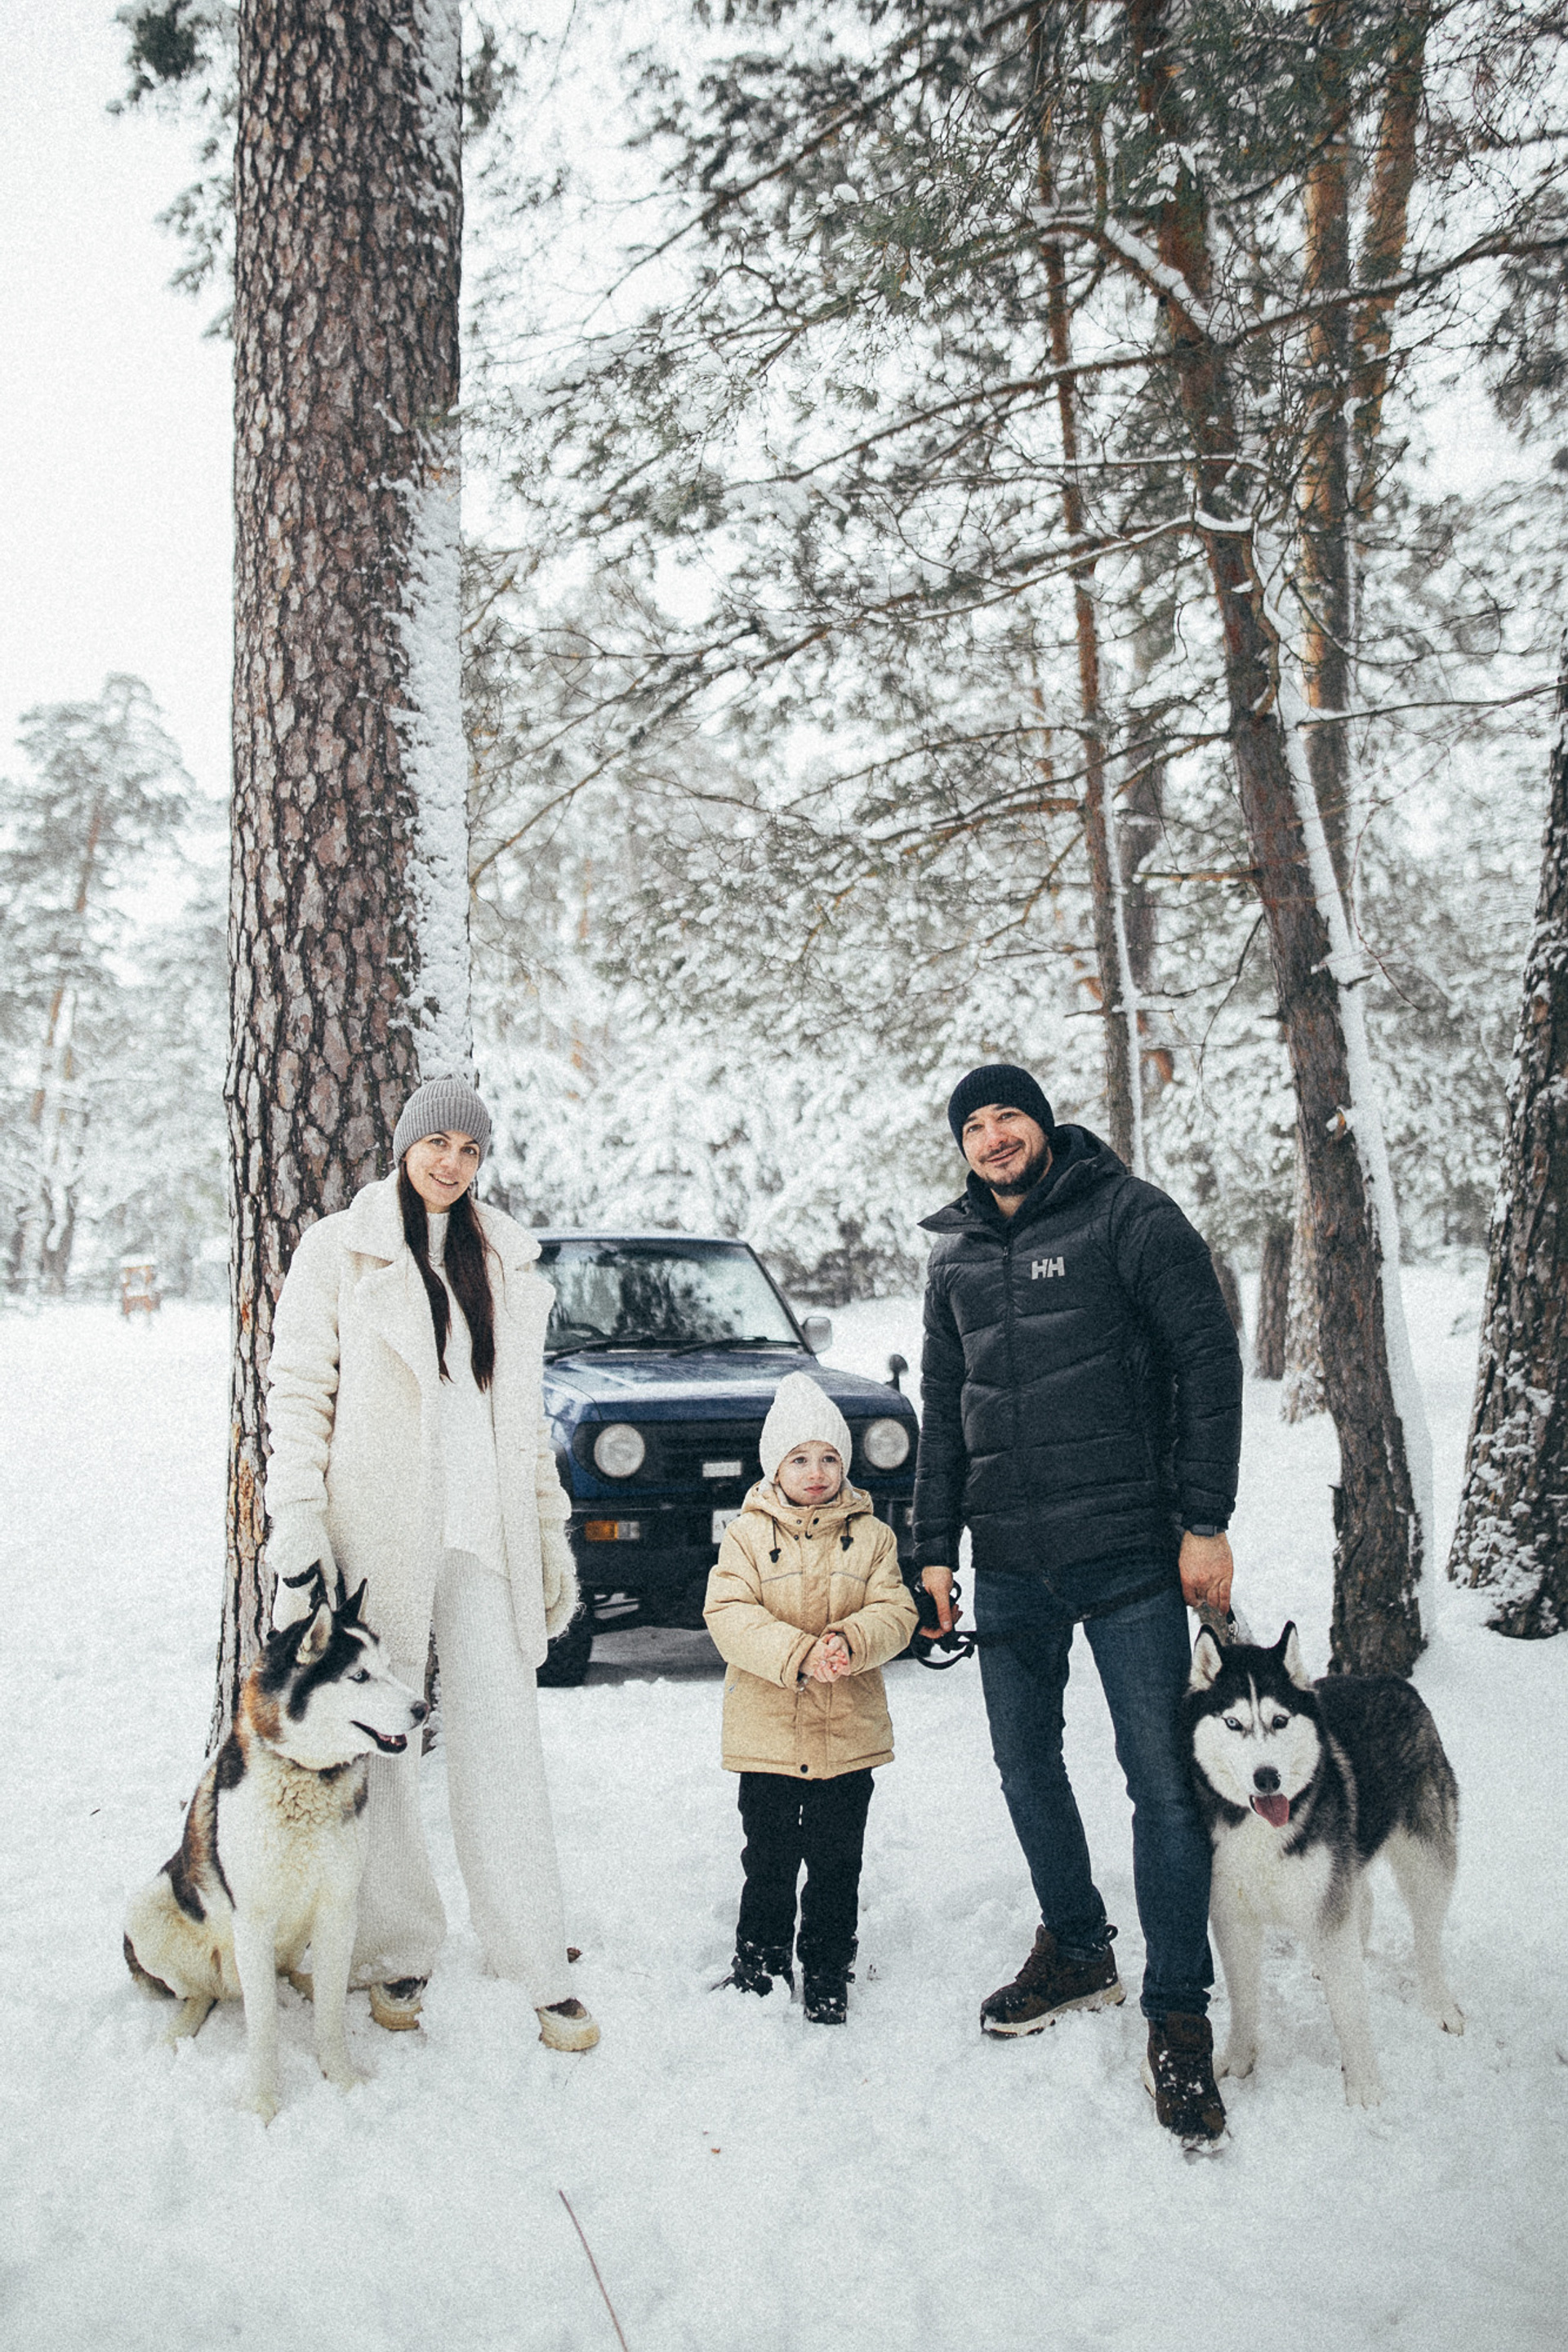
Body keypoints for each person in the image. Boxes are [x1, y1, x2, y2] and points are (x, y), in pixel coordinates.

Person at [915, 1064, 1242, 2141]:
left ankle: (1179, 2014)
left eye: (1009, 1114)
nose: (994, 1135)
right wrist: (933, 1551)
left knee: (1159, 1783)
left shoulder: (1129, 1217)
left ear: (1044, 1124)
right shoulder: (954, 1252)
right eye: (975, 1124)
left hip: (1131, 1553)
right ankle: (1079, 1944)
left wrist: (1205, 1520)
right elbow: (947, 1415)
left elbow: (1207, 1359)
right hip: (1010, 1559)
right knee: (1023, 1764)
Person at [263, 1074, 599, 2052]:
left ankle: (535, 1956)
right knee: (387, 1745)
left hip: (482, 1533)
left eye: (470, 1149)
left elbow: (525, 1425)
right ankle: (397, 1950)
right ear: (404, 1145)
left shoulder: (502, 1260)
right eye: (436, 1144)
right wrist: (298, 1521)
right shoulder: (340, 1249)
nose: (450, 1164)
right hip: (379, 1529)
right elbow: (298, 1393)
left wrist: (546, 1537)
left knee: (504, 1746)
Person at [703, 1372, 918, 2024]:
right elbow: (728, 1613)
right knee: (766, 1855)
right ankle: (760, 1959)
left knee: (835, 1859)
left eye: (829, 1457)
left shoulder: (874, 1536)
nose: (816, 1471)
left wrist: (851, 1642)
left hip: (846, 1736)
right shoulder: (745, 1536)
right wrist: (798, 1655)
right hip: (766, 1735)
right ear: (775, 1467)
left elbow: (897, 1610)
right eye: (799, 1458)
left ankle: (827, 1964)